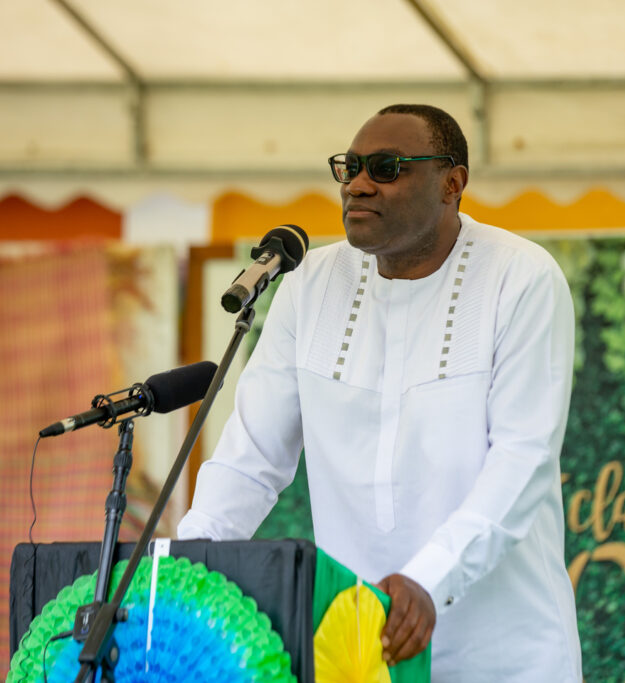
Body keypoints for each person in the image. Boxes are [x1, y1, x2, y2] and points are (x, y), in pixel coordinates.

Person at [178, 104, 582, 682]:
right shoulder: (308, 286)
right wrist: (185, 568)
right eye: (350, 168)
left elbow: (523, 459)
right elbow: (251, 460)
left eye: (387, 167)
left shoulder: (521, 278)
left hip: (504, 653)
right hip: (360, 652)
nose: (359, 185)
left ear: (452, 183)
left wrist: (430, 579)